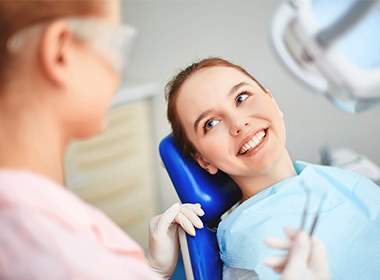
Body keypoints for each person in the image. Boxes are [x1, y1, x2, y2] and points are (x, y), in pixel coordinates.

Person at [0, 0, 204, 279]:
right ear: (61, 52)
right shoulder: (49, 248)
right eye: (116, 45)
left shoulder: (27, 212)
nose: (117, 70)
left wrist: (151, 271)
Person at [165, 57, 380, 279]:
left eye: (241, 97)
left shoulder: (334, 179)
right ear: (203, 161)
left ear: (272, 101)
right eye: (210, 123)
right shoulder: (252, 248)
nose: (238, 123)